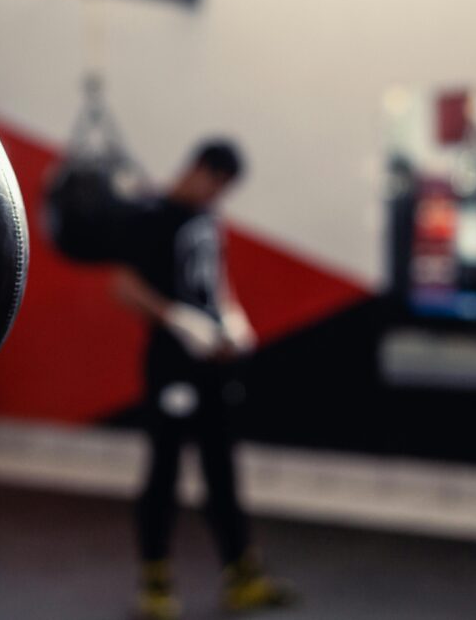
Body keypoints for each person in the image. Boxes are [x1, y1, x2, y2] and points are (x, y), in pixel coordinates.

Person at [112, 141, 291, 619]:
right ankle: (154, 583)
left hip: (213, 362)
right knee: (164, 471)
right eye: (217, 183)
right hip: (171, 363)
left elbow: (214, 280)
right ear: (198, 169)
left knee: (223, 472)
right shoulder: (151, 213)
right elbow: (124, 286)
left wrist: (233, 320)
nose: (218, 194)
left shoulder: (209, 218)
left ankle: (242, 576)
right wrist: (176, 320)